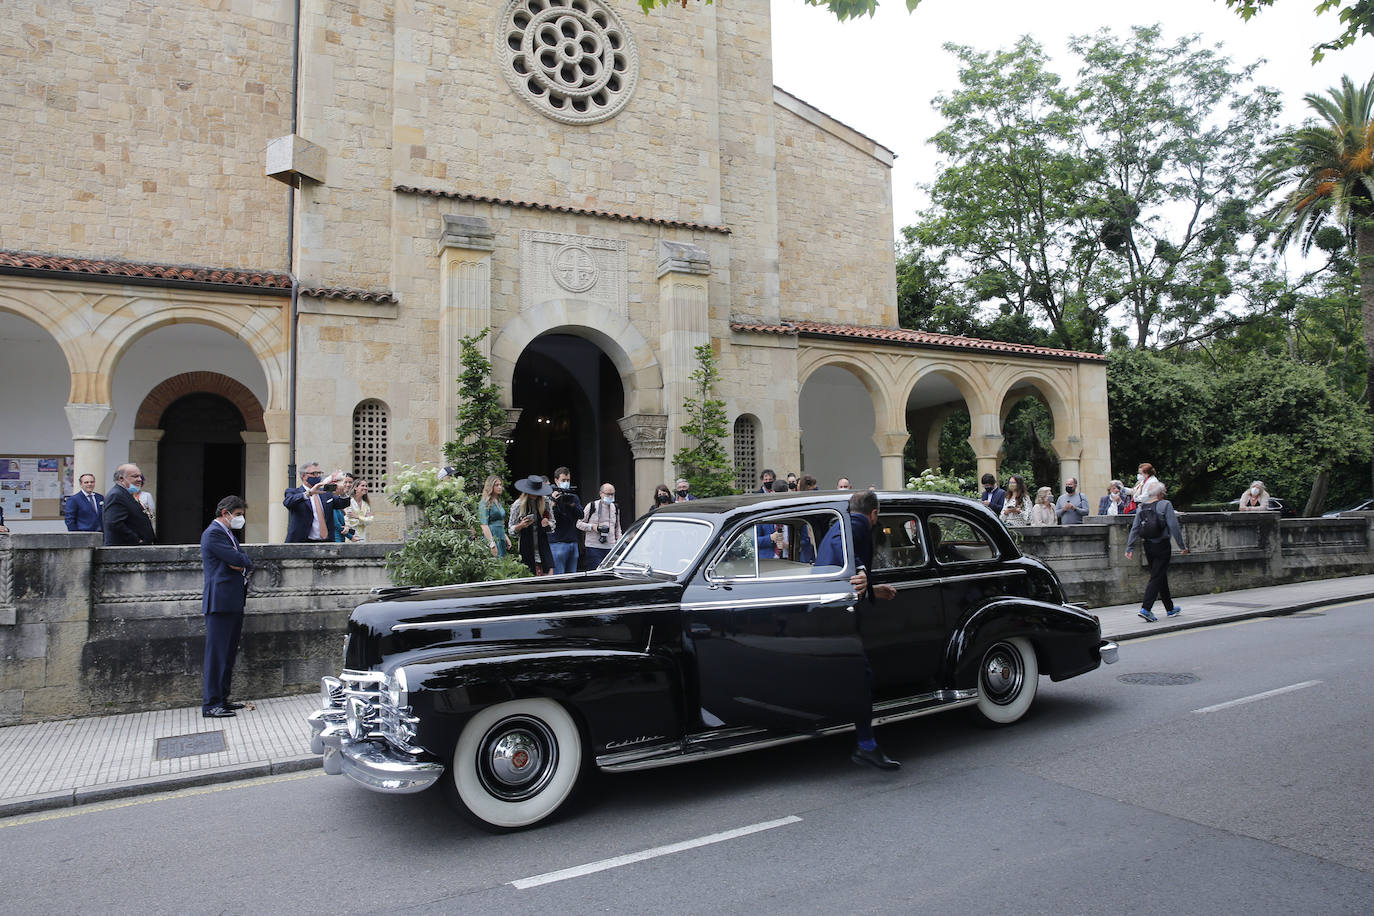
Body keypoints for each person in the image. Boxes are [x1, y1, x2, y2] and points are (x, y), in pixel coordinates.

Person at [813, 489, 899, 770]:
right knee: (861, 676)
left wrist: (873, 589)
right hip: (836, 612)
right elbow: (842, 547)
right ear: (874, 514)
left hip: (824, 607)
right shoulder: (857, 524)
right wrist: (861, 569)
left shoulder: (843, 521)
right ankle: (866, 745)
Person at [200, 495, 252, 719]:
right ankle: (211, 703)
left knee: (228, 653)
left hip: (231, 600)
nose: (240, 519)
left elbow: (240, 560)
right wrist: (241, 562)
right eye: (238, 515)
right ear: (225, 513)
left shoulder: (226, 533)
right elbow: (239, 559)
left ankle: (223, 698)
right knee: (217, 655)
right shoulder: (213, 533)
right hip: (220, 601)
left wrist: (240, 562)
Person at [1125, 478, 1189, 622]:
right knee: (1156, 576)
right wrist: (1182, 546)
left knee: (1160, 575)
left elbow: (1135, 528)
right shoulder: (1165, 505)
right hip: (1162, 545)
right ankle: (1146, 609)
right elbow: (1174, 527)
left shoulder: (1141, 507)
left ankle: (1170, 608)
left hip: (1148, 545)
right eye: (1164, 491)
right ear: (1160, 494)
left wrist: (1129, 547)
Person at [283, 462, 350, 543]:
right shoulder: (294, 492)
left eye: (319, 473)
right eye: (314, 473)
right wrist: (309, 493)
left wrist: (342, 493)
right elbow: (288, 502)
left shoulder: (325, 493)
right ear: (304, 476)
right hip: (302, 542)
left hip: (326, 542)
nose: (318, 476)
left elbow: (342, 503)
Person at [511, 474, 554, 574]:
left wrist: (547, 524)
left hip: (543, 544)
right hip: (526, 545)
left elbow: (553, 524)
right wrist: (521, 525)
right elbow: (511, 529)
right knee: (528, 573)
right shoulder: (518, 504)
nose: (535, 495)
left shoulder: (546, 502)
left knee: (547, 574)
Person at [103, 463, 155, 546]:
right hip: (125, 549)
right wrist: (137, 540)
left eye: (140, 476)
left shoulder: (128, 494)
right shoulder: (116, 495)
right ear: (121, 479)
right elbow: (114, 523)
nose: (139, 479)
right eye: (135, 476)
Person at [548, 466, 584, 574]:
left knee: (572, 576)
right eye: (563, 480)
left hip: (572, 541)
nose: (566, 482)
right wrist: (554, 502)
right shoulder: (549, 496)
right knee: (559, 578)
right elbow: (548, 518)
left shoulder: (573, 497)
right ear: (556, 480)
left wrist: (572, 504)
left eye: (568, 480)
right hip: (557, 542)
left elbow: (581, 515)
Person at [578, 482, 623, 568]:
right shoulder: (592, 506)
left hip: (611, 547)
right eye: (608, 494)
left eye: (612, 494)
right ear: (601, 494)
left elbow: (617, 527)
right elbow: (579, 523)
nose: (610, 496)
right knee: (596, 574)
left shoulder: (615, 507)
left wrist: (619, 540)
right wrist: (592, 527)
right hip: (594, 547)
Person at [478, 475, 510, 556]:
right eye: (496, 485)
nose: (499, 487)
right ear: (490, 486)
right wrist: (491, 544)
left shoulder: (498, 502)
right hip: (492, 536)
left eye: (500, 485)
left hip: (501, 535)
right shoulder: (485, 502)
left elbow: (500, 522)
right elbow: (484, 525)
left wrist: (506, 537)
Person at [344, 478, 375, 543]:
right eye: (362, 486)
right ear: (355, 488)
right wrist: (364, 519)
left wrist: (357, 517)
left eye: (366, 486)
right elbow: (348, 521)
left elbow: (369, 522)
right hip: (350, 536)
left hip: (362, 536)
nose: (365, 488)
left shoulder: (366, 505)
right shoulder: (348, 502)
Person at [332, 474, 355, 542]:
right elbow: (336, 523)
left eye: (350, 482)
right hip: (338, 536)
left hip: (349, 534)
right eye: (345, 482)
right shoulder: (333, 500)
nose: (348, 485)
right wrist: (350, 536)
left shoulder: (352, 499)